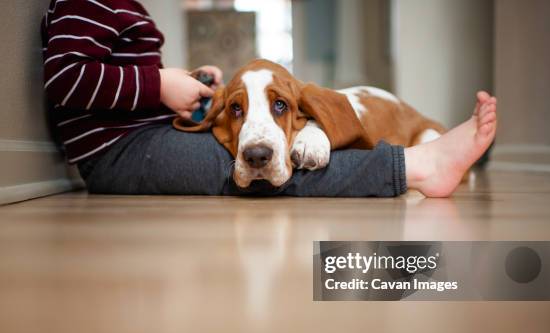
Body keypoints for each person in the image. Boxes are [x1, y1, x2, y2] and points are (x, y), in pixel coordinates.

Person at [42, 0, 497, 198]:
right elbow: (66, 77)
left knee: (283, 163)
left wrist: (175, 85)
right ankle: (421, 166)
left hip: (138, 138)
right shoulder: (87, 2)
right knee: (254, 174)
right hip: (116, 155)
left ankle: (426, 153)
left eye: (282, 106)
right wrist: (158, 86)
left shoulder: (120, 6)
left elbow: (118, 77)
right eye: (236, 109)